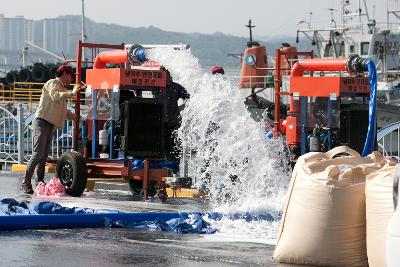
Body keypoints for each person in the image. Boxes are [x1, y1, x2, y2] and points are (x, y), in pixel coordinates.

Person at [21, 65, 82, 194]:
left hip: (49, 125)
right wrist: (72, 93)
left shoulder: (62, 89)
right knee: (37, 154)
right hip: (42, 123)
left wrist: (74, 117)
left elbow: (62, 111)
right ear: (64, 73)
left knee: (43, 157)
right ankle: (26, 181)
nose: (71, 77)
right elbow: (55, 96)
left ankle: (39, 183)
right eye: (70, 74)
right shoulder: (52, 83)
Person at [160, 66, 190, 167]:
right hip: (160, 124)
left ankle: (174, 170)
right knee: (162, 149)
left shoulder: (175, 87)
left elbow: (189, 97)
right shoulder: (156, 87)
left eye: (165, 75)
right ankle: (164, 168)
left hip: (174, 123)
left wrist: (181, 107)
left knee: (175, 148)